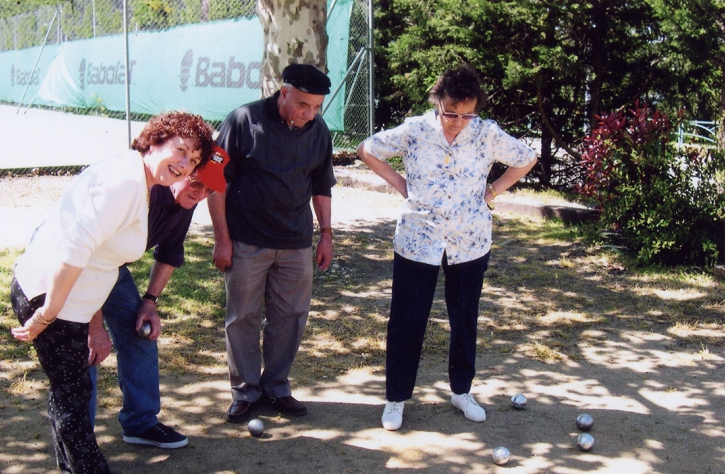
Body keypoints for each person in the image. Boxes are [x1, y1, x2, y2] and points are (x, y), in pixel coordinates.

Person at [10, 111, 214, 474]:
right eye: (180, 151)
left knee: (66, 393)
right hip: (53, 297)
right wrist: (48, 314)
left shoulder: (139, 177)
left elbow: (107, 257)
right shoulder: (126, 183)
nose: (185, 165)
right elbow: (74, 247)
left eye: (193, 160)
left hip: (60, 296)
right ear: (155, 141)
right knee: (72, 397)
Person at [357, 65, 537, 431]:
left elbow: (526, 158)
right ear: (437, 102)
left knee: (464, 317)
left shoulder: (486, 133)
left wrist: (492, 192)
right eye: (450, 113)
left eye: (466, 114)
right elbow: (367, 150)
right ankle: (396, 397)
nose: (457, 122)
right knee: (407, 319)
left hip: (469, 240)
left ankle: (462, 390)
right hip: (417, 239)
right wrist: (401, 185)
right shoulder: (416, 130)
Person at [208, 63, 336, 423]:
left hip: (295, 242)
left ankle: (277, 387)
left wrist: (325, 234)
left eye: (316, 107)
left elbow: (322, 185)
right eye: (302, 105)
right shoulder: (242, 119)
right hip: (247, 241)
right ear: (284, 93)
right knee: (242, 317)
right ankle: (246, 392)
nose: (309, 114)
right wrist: (222, 239)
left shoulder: (318, 131)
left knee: (291, 317)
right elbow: (214, 179)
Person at [86, 146, 228, 450]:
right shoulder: (145, 193)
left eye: (209, 189)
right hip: (77, 270)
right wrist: (94, 327)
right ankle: (80, 445)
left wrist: (150, 301)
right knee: (85, 350)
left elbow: (170, 251)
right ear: (182, 171)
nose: (201, 194)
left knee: (140, 334)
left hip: (111, 267)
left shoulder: (186, 202)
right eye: (197, 183)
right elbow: (89, 259)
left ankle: (141, 423)